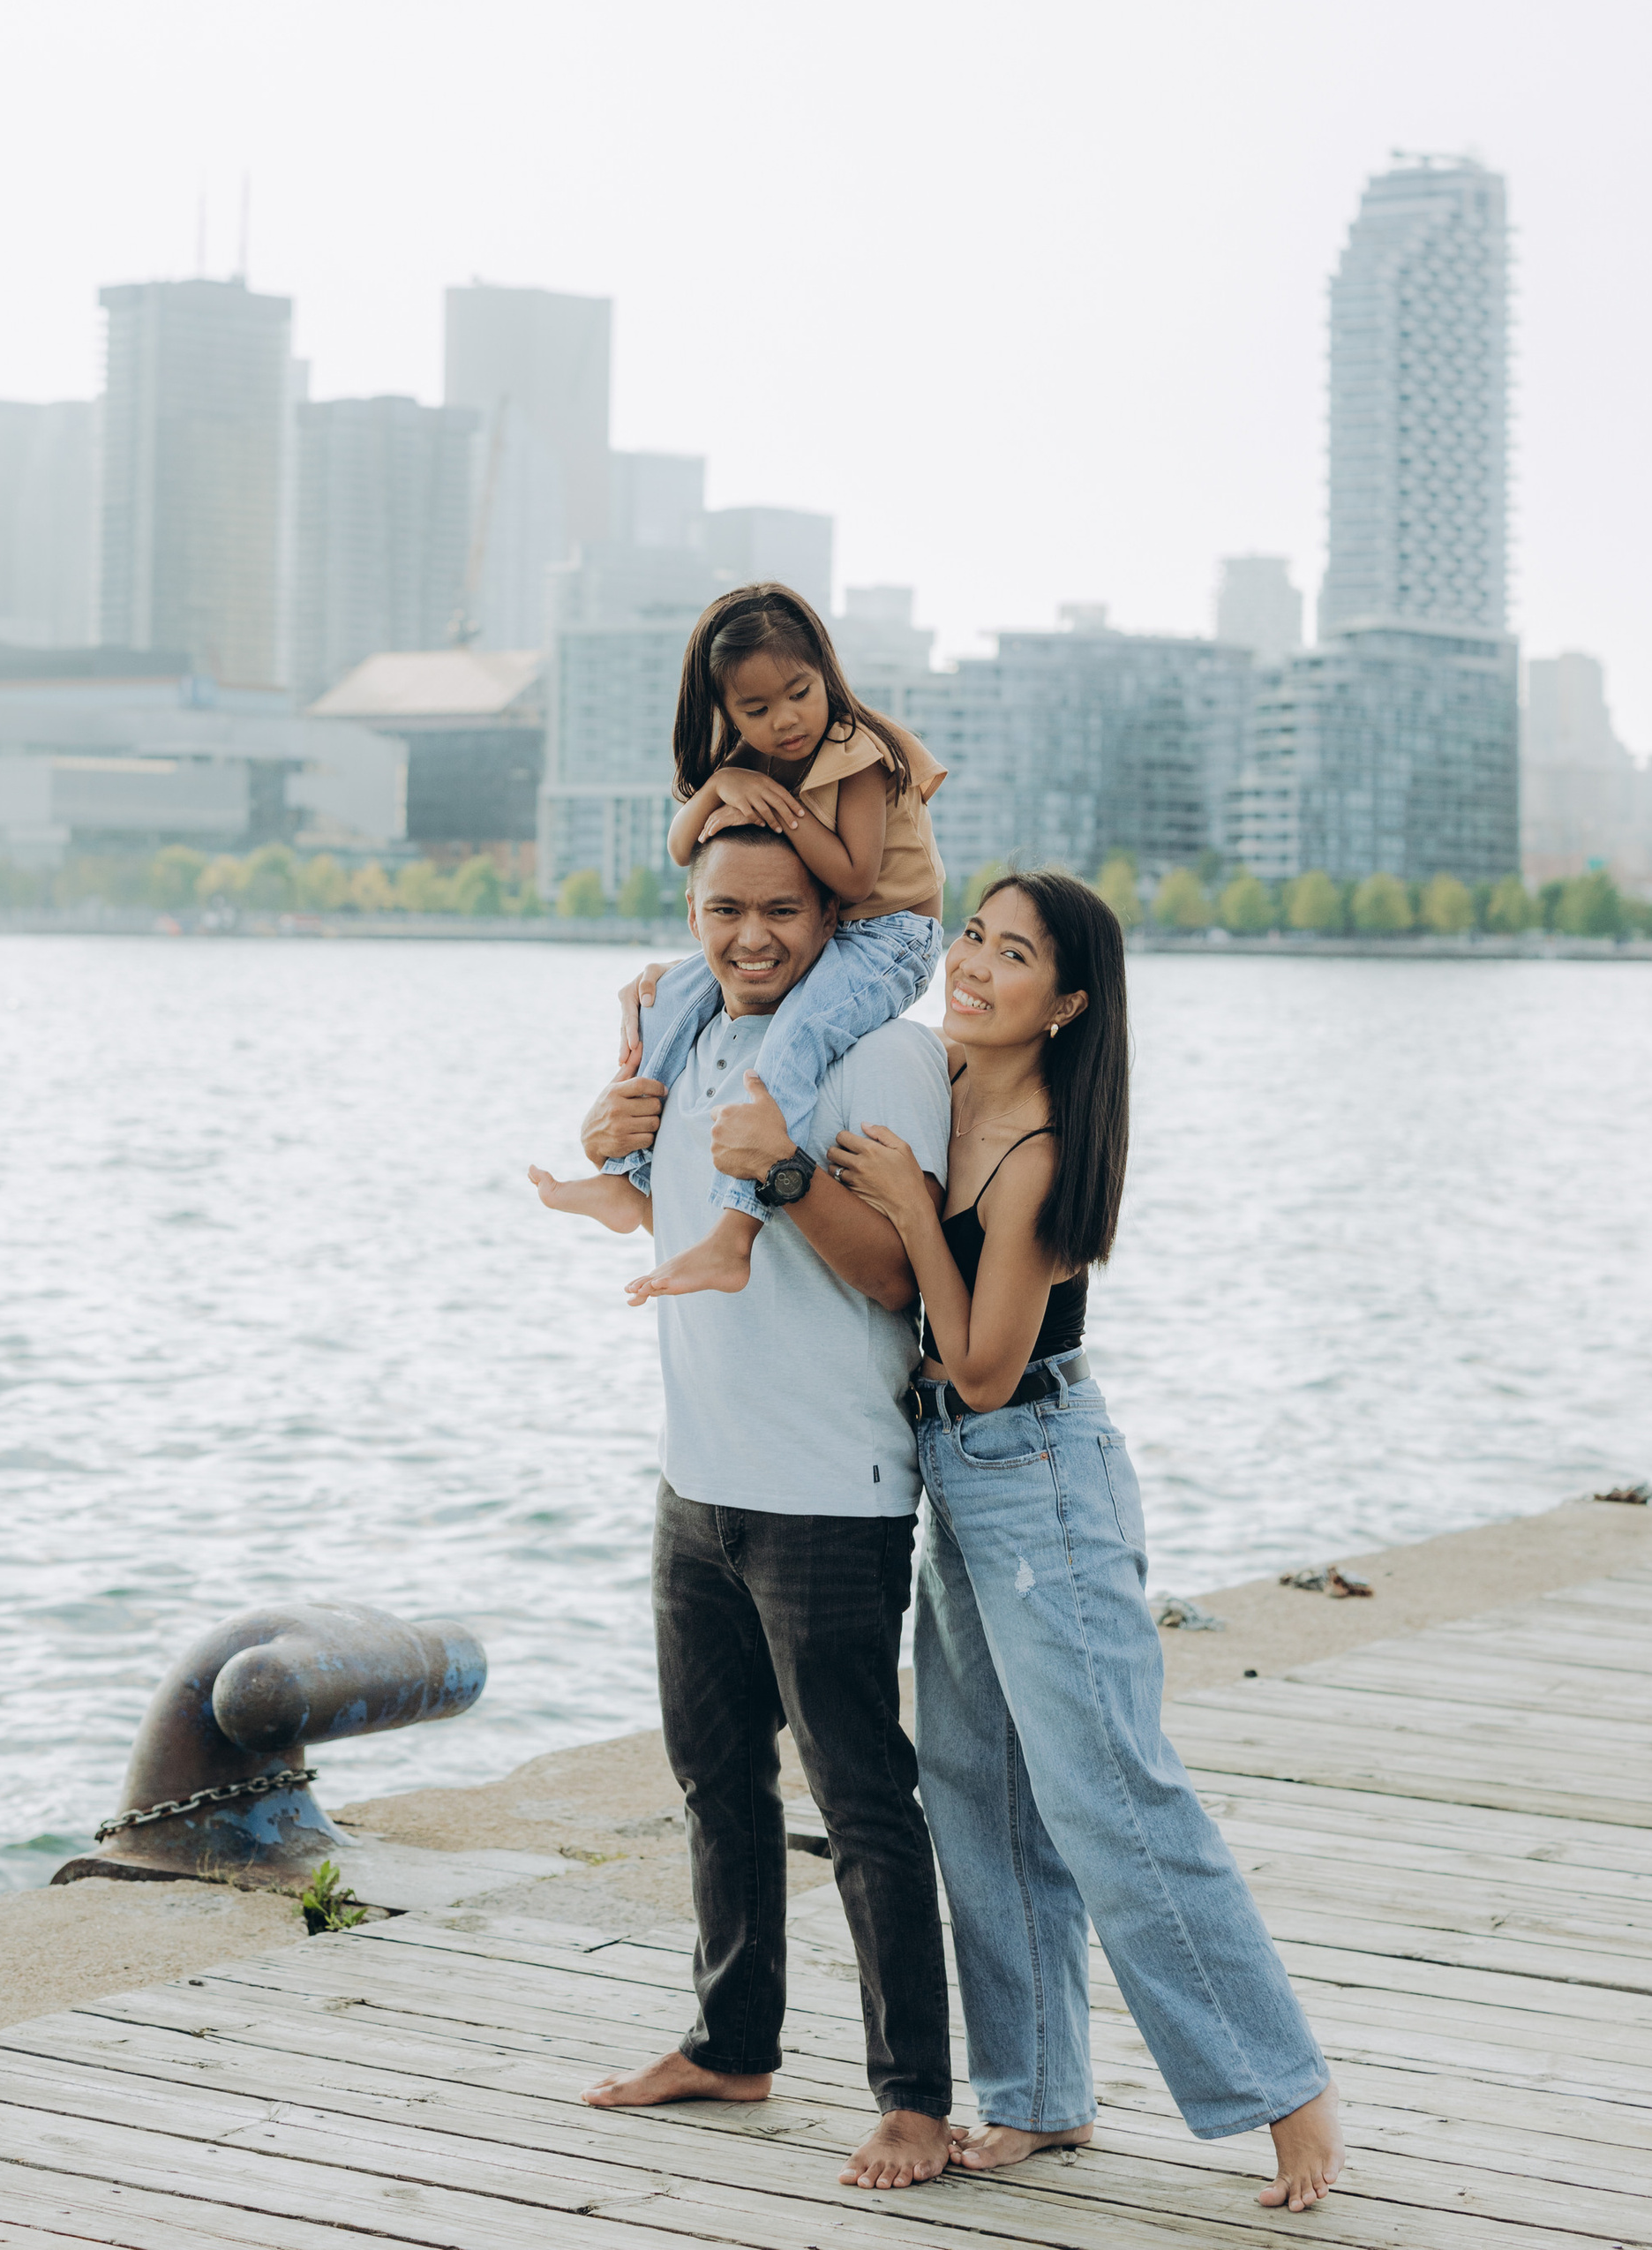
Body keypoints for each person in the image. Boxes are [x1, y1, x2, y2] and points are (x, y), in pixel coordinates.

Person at [827, 869, 1348, 2215]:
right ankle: (1041, 2095)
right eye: (976, 940)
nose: (978, 968)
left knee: (1110, 1793)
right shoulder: (932, 1073)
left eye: (1016, 957)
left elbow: (987, 1365)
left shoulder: (1047, 1145)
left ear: (1066, 1004)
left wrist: (902, 1208)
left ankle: (1289, 2093)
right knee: (977, 1789)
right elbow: (828, 987)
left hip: (1038, 1471)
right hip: (963, 1478)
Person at [544, 819, 958, 2189]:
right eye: (727, 908)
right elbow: (651, 1213)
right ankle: (732, 2043)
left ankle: (912, 2098)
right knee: (716, 1784)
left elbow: (901, 1284)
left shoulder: (879, 1050)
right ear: (692, 905)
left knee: (861, 1801)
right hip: (698, 1480)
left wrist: (779, 1173)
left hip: (828, 1496)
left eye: (785, 909)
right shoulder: (686, 1030)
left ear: (834, 915)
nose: (755, 937)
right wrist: (602, 1149)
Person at [530, 583, 947, 1302]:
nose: (786, 721)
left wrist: (780, 814)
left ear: (827, 675)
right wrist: (721, 784)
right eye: (755, 710)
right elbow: (679, 845)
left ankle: (735, 1233)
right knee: (668, 994)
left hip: (889, 937)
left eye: (799, 693)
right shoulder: (751, 759)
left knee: (797, 1034)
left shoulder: (857, 750)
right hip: (826, 929)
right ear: (725, 712)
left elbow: (851, 878)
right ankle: (629, 1181)